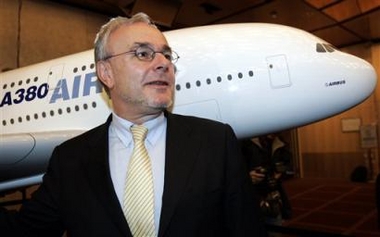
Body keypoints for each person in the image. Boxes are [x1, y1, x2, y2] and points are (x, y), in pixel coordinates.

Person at [0, 13, 266, 236]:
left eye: (166, 55)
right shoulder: (69, 160)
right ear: (106, 73)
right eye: (142, 53)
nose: (163, 63)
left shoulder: (216, 143)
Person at [241, 134, 292, 228]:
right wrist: (247, 177)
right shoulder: (244, 143)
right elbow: (231, 171)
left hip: (273, 198)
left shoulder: (279, 143)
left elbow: (288, 165)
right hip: (251, 198)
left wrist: (281, 172)